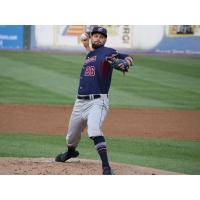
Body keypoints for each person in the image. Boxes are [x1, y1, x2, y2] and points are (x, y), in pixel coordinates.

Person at [55, 26, 133, 175]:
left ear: (105, 40)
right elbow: (89, 50)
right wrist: (85, 43)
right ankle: (70, 152)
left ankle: (106, 167)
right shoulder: (90, 54)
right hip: (80, 102)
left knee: (94, 130)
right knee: (71, 137)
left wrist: (126, 63)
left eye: (102, 36)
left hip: (97, 102)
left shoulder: (108, 51)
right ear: (92, 38)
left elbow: (126, 57)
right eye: (96, 36)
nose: (99, 38)